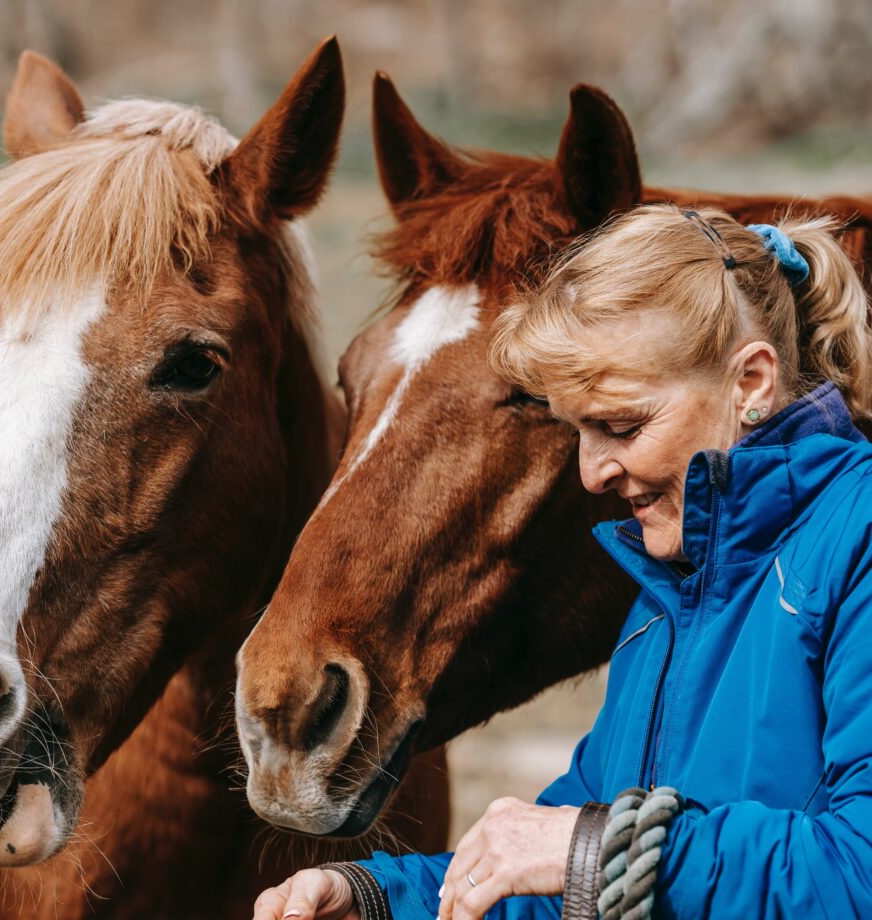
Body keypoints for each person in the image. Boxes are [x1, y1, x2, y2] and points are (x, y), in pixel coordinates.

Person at [251, 203, 872, 920]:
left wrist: (601, 848)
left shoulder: (855, 541)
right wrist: (380, 901)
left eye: (621, 425)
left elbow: (857, 869)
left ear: (752, 383)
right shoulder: (667, 598)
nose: (592, 473)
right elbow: (562, 878)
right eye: (578, 431)